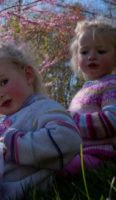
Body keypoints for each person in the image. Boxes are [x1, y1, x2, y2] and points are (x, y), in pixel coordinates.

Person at [0, 42, 82, 199]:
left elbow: (68, 139)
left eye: (3, 82)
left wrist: (15, 145)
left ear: (28, 75)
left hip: (21, 192)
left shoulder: (43, 108)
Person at [60, 17, 116, 176]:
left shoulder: (112, 84)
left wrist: (71, 121)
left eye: (101, 51)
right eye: (84, 52)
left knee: (57, 169)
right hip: (79, 150)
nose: (91, 56)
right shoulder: (86, 88)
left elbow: (112, 120)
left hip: (101, 153)